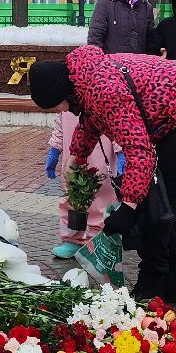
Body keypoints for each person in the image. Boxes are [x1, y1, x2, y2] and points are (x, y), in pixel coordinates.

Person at [27, 47, 176, 303]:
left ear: (62, 92)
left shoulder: (104, 89)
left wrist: (129, 205)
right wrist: (75, 158)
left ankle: (153, 285)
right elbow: (90, 121)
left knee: (153, 200)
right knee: (160, 200)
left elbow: (139, 149)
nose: (59, 111)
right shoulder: (85, 80)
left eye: (54, 105)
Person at [46, 109, 120, 263]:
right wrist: (55, 147)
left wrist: (120, 150)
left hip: (101, 151)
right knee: (72, 194)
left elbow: (117, 121)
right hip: (72, 153)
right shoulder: (66, 97)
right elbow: (60, 122)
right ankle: (73, 239)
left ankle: (98, 241)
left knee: (102, 196)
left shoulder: (102, 92)